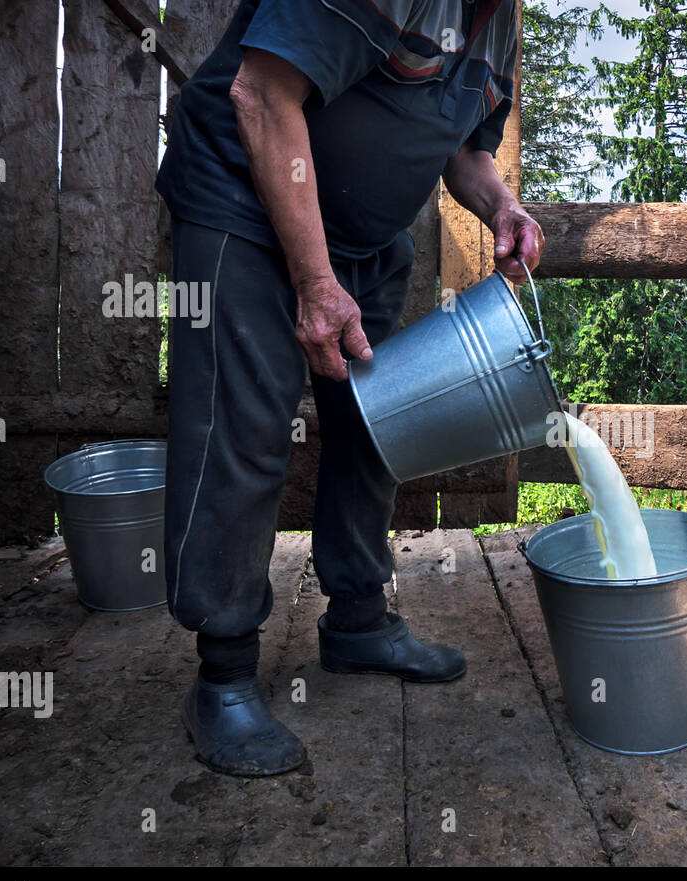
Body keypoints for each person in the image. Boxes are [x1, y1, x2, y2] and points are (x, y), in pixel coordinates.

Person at [155, 0, 543, 777]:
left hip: (365, 239)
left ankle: (359, 620)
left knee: (378, 423)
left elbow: (463, 150)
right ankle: (224, 674)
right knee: (246, 428)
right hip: (243, 203)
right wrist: (312, 279)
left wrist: (501, 203)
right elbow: (261, 95)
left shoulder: (500, 24)